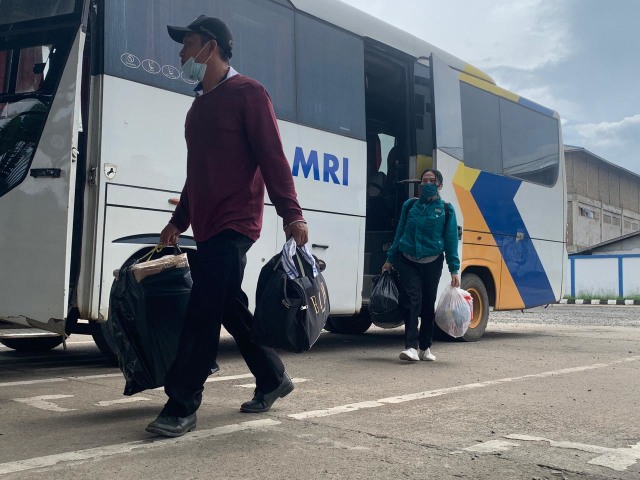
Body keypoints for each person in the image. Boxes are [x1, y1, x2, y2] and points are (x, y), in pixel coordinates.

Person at [146, 15, 308, 437]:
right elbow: (196, 174)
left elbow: (273, 157)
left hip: (236, 222)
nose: (181, 53)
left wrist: (292, 213)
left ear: (210, 47)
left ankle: (182, 402)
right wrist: (178, 220)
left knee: (203, 309)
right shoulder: (198, 107)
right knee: (228, 305)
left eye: (188, 44)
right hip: (206, 222)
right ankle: (273, 377)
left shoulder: (248, 94)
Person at [382, 169, 460, 362]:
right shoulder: (410, 206)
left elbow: (450, 241)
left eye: (431, 181)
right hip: (407, 260)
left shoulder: (446, 210)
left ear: (439, 185)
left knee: (427, 303)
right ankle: (411, 347)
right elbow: (399, 234)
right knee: (411, 301)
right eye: (424, 181)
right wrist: (390, 259)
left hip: (432, 262)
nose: (427, 184)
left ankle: (425, 347)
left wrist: (454, 269)